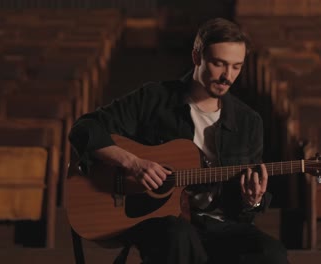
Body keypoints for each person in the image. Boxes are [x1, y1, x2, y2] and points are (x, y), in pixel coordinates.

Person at [69, 17, 289, 264]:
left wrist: (253, 199)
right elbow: (84, 128)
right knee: (179, 235)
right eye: (219, 64)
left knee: (272, 254)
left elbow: (243, 212)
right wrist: (132, 163)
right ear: (197, 57)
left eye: (236, 67)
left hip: (218, 225)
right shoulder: (155, 99)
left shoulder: (248, 121)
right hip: (160, 222)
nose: (228, 76)